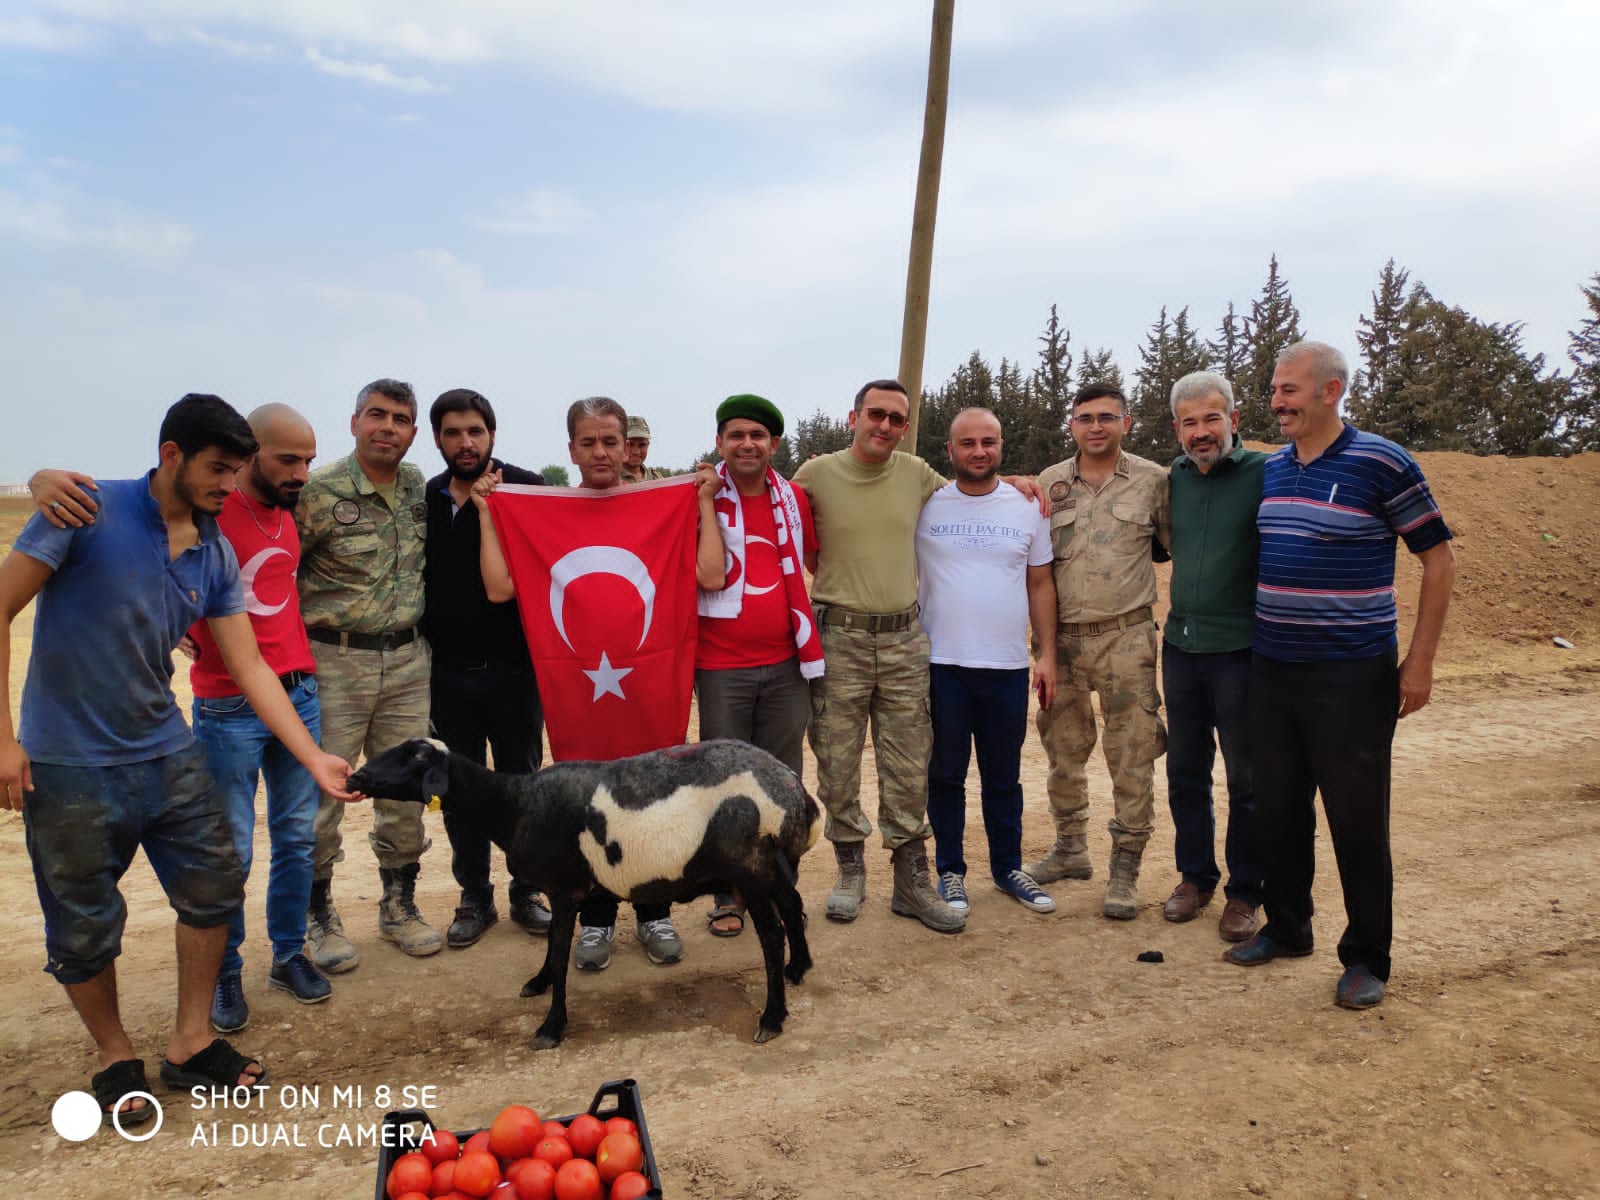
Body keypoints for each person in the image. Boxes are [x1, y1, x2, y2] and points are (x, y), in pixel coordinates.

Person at [0, 394, 352, 1124]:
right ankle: (114, 1055)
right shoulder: (83, 512)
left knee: (216, 887)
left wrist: (313, 757)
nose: (230, 485)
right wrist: (4, 742)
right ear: (171, 457)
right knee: (84, 924)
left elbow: (250, 666)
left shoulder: (215, 550)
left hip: (166, 748)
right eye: (218, 470)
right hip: (68, 765)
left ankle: (191, 1044)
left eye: (238, 470)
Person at [1224, 342, 1455, 1010]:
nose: (1276, 402)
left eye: (1289, 390)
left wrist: (1419, 660)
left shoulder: (1382, 461)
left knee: (1356, 818)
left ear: (1330, 392)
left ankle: (1365, 956)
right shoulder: (1272, 470)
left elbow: (1437, 562)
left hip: (1351, 676)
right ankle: (1290, 928)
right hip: (1273, 667)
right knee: (1279, 808)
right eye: (1274, 390)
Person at [475, 396, 725, 969]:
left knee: (653, 799)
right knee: (587, 804)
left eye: (610, 441)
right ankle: (596, 919)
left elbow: (710, 574)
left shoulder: (663, 503)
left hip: (647, 689)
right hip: (580, 697)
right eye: (588, 443)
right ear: (571, 450)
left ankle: (655, 912)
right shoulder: (543, 510)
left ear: (626, 445)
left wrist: (704, 504)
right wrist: (490, 515)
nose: (601, 452)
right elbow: (498, 588)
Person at [791, 379, 965, 934]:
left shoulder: (917, 475)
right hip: (837, 636)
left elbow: (971, 493)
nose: (885, 426)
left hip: (903, 639)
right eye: (876, 414)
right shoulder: (816, 475)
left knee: (910, 762)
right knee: (837, 761)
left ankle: (912, 881)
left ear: (906, 427)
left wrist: (1019, 483)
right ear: (854, 417)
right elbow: (770, 513)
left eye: (896, 418)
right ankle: (849, 870)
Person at [297, 378, 440, 971]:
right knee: (321, 794)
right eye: (376, 415)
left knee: (407, 786)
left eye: (400, 418)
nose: (388, 427)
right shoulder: (319, 492)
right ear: (353, 422)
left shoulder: (415, 487)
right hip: (334, 660)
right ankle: (315, 915)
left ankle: (399, 905)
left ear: (412, 432)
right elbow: (274, 567)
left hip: (408, 660)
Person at [1029, 383, 1171, 920]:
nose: (1095, 427)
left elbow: (1173, 542)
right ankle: (1070, 849)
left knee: (1132, 753)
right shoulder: (1048, 484)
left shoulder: (1155, 482)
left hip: (1126, 637)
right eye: (1085, 417)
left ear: (1126, 423)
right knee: (1062, 750)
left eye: (1107, 417)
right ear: (1072, 425)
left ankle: (1126, 866)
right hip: (1060, 641)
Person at [423, 387, 553, 949]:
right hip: (446, 676)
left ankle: (528, 887)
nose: (465, 441)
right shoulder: (424, 497)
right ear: (438, 440)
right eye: (453, 432)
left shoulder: (528, 489)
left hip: (515, 671)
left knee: (522, 785)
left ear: (492, 435)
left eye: (475, 431)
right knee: (460, 793)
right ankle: (475, 895)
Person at [915, 407, 1059, 916]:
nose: (979, 452)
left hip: (1006, 666)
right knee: (946, 775)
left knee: (1004, 776)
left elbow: (1040, 582)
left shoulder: (1027, 507)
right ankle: (950, 872)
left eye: (989, 442)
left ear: (1001, 445)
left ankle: (1008, 868)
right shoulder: (926, 502)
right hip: (942, 662)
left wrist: (1046, 655)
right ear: (949, 450)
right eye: (968, 443)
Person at [695, 394, 823, 936]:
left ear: (774, 444)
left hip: (787, 665)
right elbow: (703, 575)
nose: (747, 443)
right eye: (736, 435)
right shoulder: (695, 496)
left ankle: (776, 882)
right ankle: (729, 892)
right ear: (721, 442)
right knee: (725, 784)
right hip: (721, 667)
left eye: (758, 435)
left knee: (781, 782)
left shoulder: (794, 497)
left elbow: (813, 561)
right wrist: (703, 503)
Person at [1161, 372, 1269, 942]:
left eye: (1211, 419)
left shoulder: (1265, 474)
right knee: (1184, 770)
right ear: (1176, 428)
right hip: (1180, 646)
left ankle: (1247, 892)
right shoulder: (1173, 478)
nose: (1201, 433)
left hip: (1242, 649)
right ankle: (1195, 877)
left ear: (1234, 419)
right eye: (1190, 422)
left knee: (1246, 777)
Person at [620, 415, 666, 483]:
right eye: (630, 445)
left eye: (642, 445)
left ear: (648, 445)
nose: (636, 452)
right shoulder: (611, 480)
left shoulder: (656, 478)